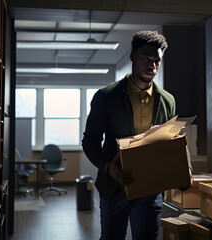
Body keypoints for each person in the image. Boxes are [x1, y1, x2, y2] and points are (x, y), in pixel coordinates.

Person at [82, 30, 193, 240]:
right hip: (115, 186)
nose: (152, 65)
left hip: (151, 188)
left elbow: (176, 140)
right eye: (145, 58)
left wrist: (186, 168)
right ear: (133, 56)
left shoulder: (167, 100)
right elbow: (90, 142)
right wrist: (108, 168)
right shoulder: (107, 97)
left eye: (156, 61)